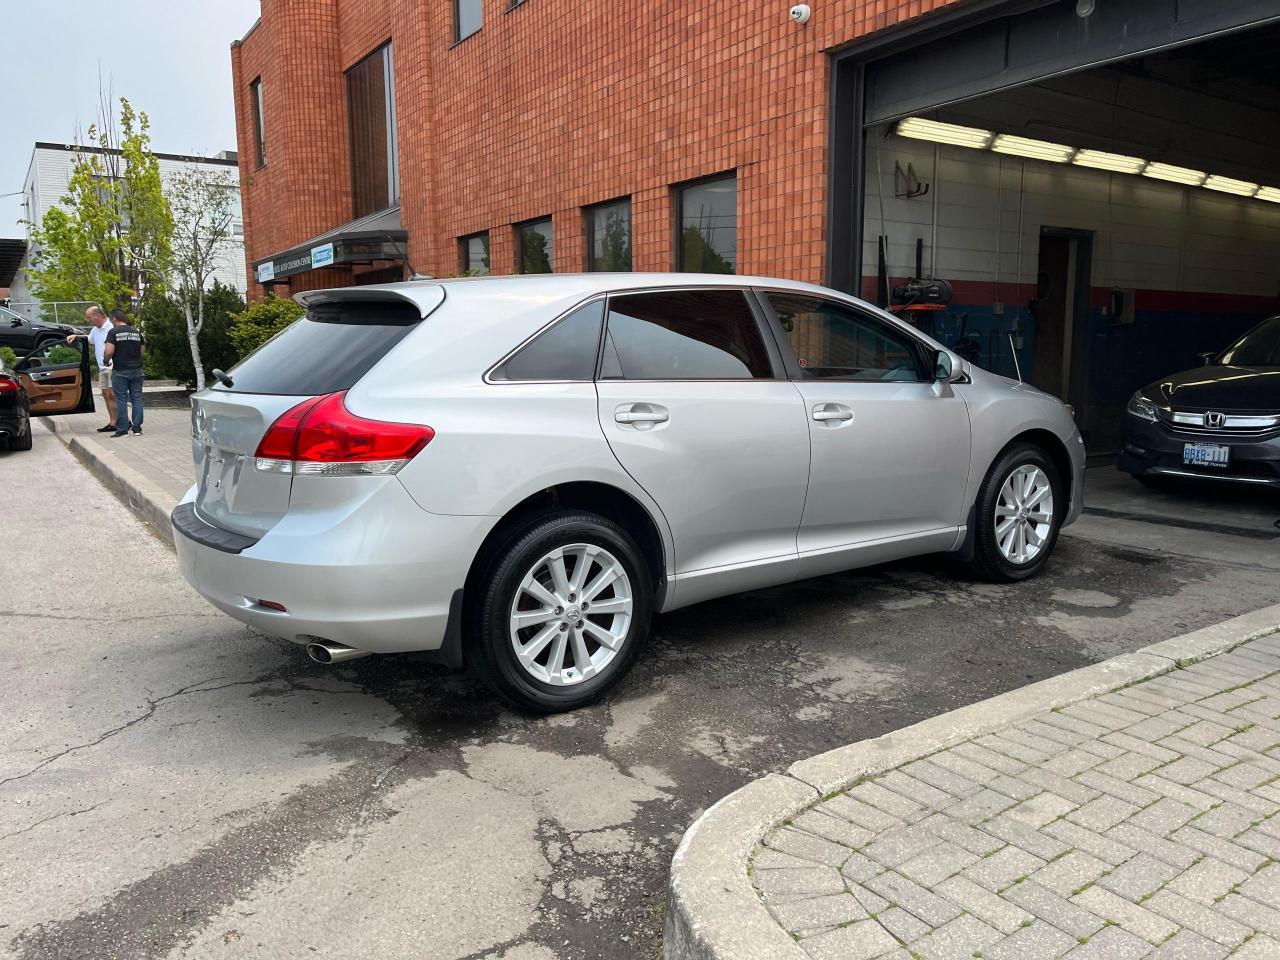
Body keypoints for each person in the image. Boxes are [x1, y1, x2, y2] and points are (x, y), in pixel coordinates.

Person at [67, 305, 117, 432]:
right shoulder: (95, 329)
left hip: (112, 367)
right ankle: (113, 422)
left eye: (89, 317)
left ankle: (123, 421)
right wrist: (77, 336)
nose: (88, 320)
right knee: (106, 395)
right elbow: (90, 339)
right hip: (102, 368)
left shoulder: (112, 328)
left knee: (113, 395)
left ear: (98, 316)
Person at [104, 308, 145, 437]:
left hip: (120, 370)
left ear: (115, 319)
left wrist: (106, 360)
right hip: (137, 370)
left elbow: (109, 351)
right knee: (136, 398)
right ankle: (137, 428)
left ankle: (122, 429)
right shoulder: (137, 333)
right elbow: (142, 352)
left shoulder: (113, 332)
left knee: (121, 399)